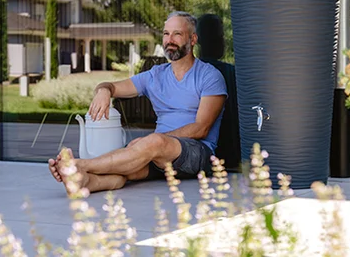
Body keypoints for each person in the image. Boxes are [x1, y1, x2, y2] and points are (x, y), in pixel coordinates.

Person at [48, 11, 226, 194]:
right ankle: (82, 181)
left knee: (151, 143)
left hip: (197, 153)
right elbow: (112, 86)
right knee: (122, 170)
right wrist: (104, 91)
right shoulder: (154, 75)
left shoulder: (209, 76)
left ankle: (79, 165)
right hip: (157, 155)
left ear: (193, 39)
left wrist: (152, 142)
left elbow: (201, 128)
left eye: (177, 34)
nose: (169, 39)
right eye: (166, 34)